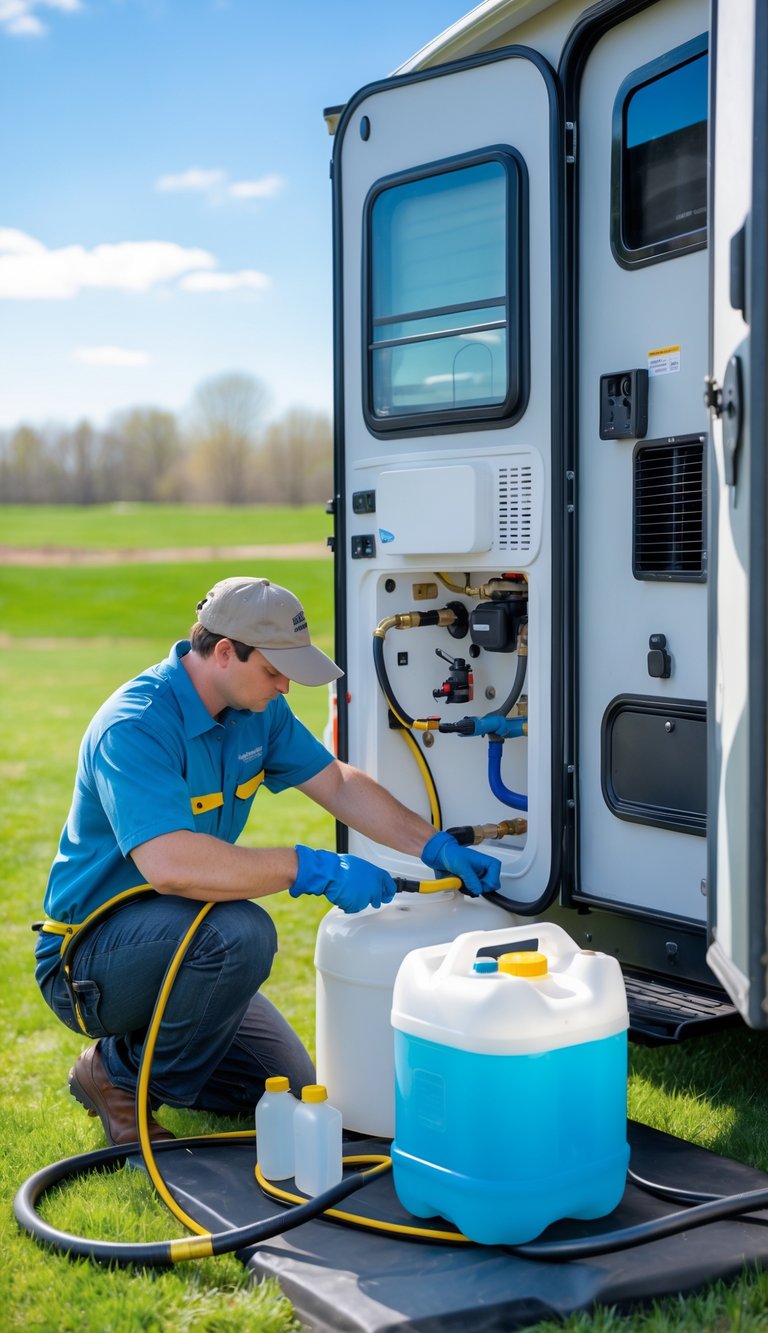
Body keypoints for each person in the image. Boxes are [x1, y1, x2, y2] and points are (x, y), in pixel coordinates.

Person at [35, 575, 501, 1146]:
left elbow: (337, 784)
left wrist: (434, 846)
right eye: (274, 670)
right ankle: (115, 1076)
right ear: (225, 652)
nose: (285, 686)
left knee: (285, 1085)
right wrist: (309, 867)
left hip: (183, 935)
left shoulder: (257, 711)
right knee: (240, 934)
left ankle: (165, 1053)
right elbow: (172, 865)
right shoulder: (135, 726)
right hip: (90, 960)